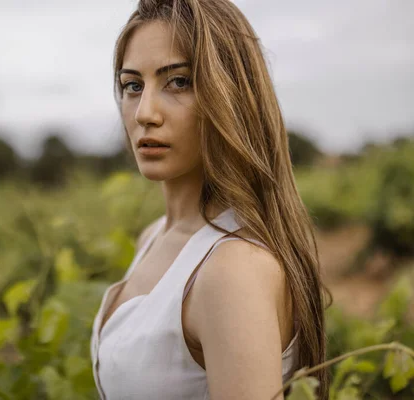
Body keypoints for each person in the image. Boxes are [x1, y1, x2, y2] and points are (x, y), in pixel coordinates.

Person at [90, 0, 333, 399]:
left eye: (179, 82)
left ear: (230, 95)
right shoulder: (153, 237)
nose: (144, 113)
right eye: (133, 85)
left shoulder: (233, 269)